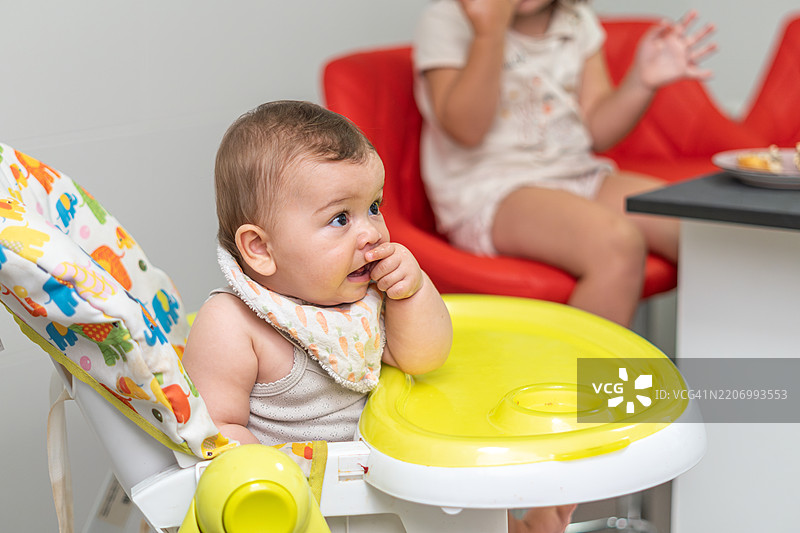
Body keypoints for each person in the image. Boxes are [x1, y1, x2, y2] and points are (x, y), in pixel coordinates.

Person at [183, 100, 574, 533]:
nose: (371, 232)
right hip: (319, 507)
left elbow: (424, 357)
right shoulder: (232, 323)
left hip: (389, 475)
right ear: (260, 248)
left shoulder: (360, 298)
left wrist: (413, 290)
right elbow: (213, 431)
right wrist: (274, 489)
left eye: (374, 207)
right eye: (340, 218)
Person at [413, 0, 716, 326]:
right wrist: (490, 33)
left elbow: (596, 131)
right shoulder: (447, 19)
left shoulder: (576, 21)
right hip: (491, 190)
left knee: (695, 228)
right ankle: (586, 379)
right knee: (618, 245)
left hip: (573, 173)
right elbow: (467, 130)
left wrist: (640, 82)